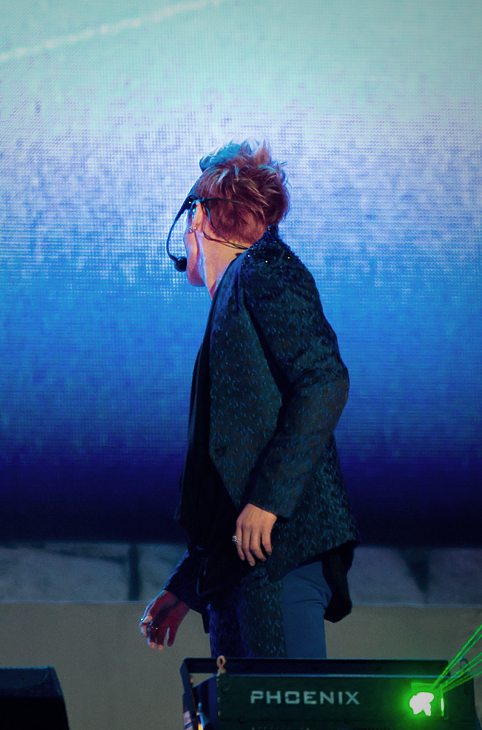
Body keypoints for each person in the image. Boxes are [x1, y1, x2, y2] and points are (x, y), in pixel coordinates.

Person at [139, 140, 358, 659]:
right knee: (244, 710)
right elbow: (230, 471)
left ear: (199, 217)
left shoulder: (264, 271)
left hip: (276, 558)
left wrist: (269, 500)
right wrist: (189, 583)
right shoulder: (240, 291)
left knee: (282, 711)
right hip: (240, 570)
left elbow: (325, 380)